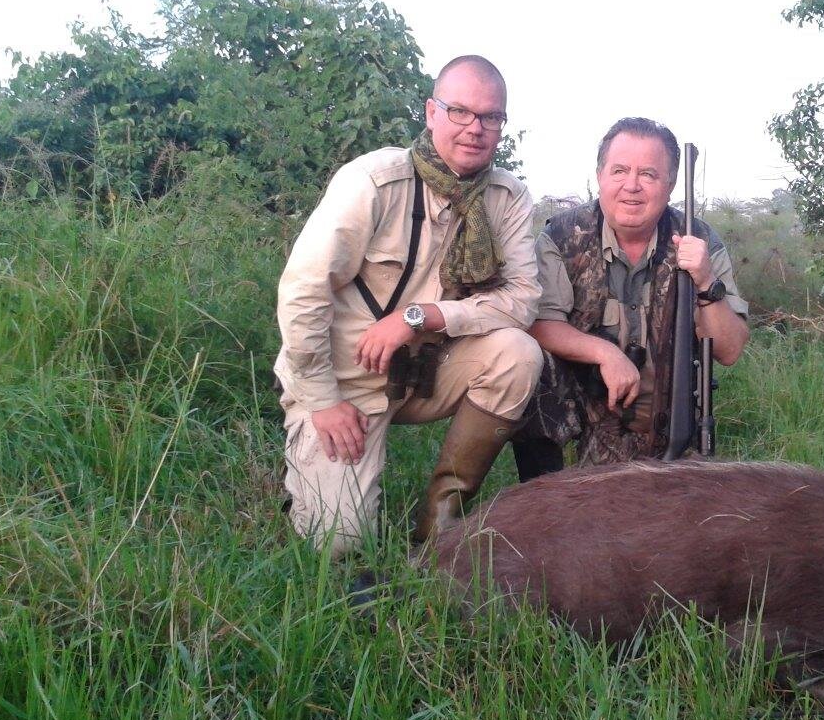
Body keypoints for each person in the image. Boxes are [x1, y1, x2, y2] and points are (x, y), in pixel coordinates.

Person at [275, 55, 543, 554]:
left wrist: (423, 316)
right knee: (339, 545)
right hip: (347, 380)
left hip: (430, 368)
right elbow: (303, 290)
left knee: (518, 354)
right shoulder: (374, 180)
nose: (475, 129)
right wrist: (323, 401)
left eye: (491, 117)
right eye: (459, 111)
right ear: (431, 111)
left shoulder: (508, 198)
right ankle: (305, 459)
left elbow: (522, 299)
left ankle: (439, 531)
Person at [513, 117, 749, 477]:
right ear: (600, 175)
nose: (632, 186)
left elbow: (729, 350)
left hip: (664, 423)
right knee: (527, 358)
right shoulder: (560, 236)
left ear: (669, 186)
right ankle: (542, 489)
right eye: (620, 170)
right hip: (584, 416)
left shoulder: (699, 239)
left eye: (649, 175)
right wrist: (605, 353)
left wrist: (705, 281)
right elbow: (540, 324)